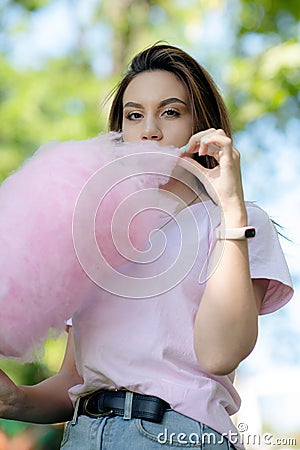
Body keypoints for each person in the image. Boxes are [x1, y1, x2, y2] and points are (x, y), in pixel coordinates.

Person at [0, 43, 293, 449]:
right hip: (84, 435)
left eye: (170, 112)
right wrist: (15, 400)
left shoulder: (238, 222)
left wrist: (230, 210)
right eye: (134, 115)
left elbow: (219, 355)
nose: (149, 129)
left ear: (202, 124)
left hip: (177, 436)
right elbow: (75, 381)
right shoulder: (95, 227)